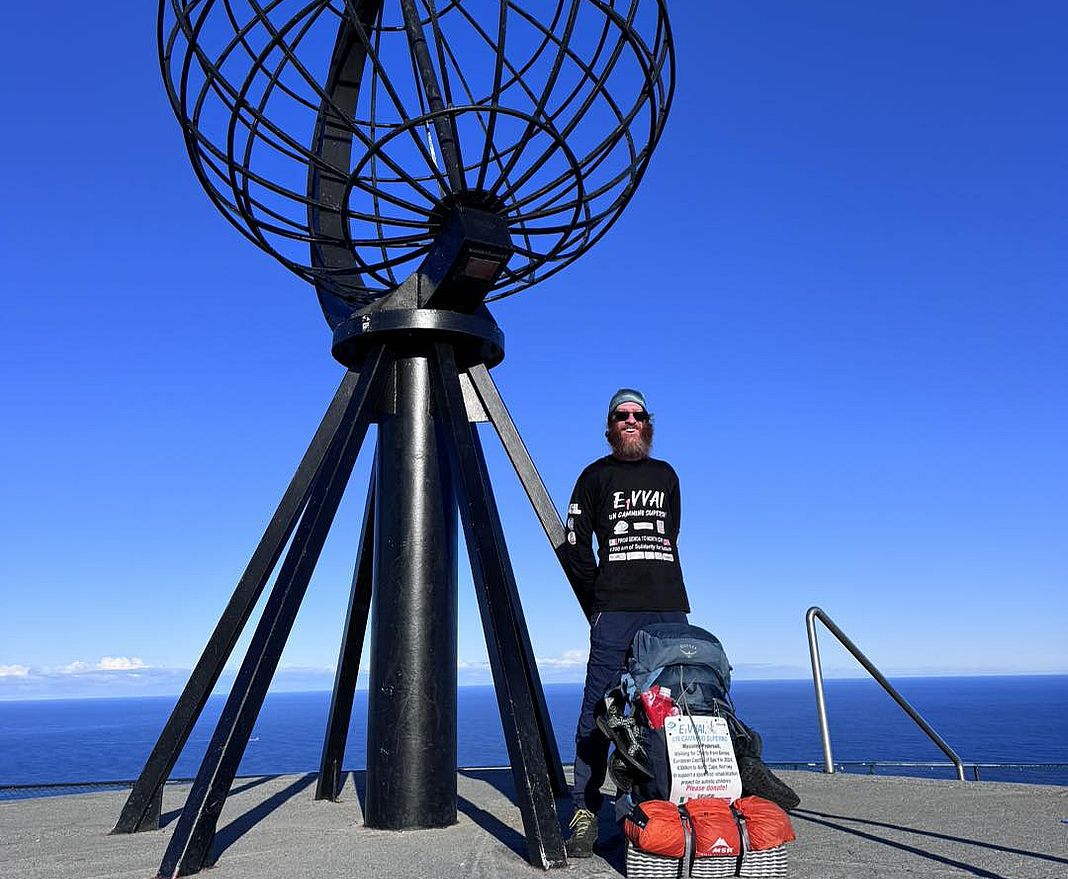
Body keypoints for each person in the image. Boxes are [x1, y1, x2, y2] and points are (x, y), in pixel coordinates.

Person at [559, 388, 690, 858]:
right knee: (598, 710)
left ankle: (664, 801)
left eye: (637, 414)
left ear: (647, 424)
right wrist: (599, 598)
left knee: (671, 708)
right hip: (615, 612)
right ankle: (584, 810)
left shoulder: (666, 475)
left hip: (668, 606)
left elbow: (670, 534)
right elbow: (573, 546)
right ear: (610, 425)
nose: (630, 420)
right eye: (621, 415)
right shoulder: (595, 476)